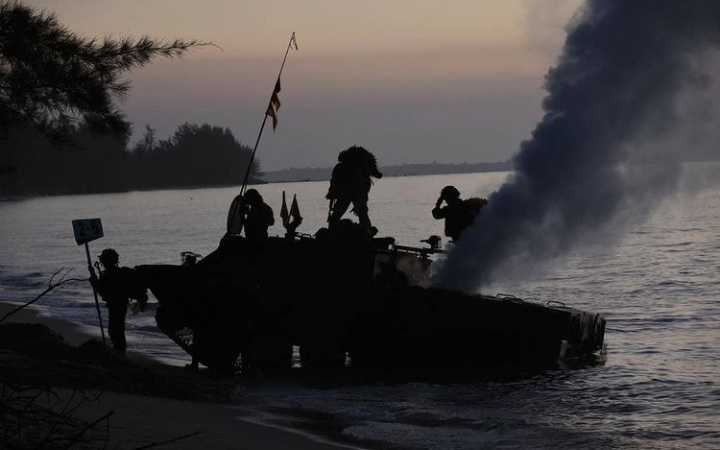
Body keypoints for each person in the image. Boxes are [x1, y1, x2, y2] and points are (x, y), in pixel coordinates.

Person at [90, 248, 147, 354]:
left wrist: (94, 281)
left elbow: (103, 292)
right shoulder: (119, 272)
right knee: (117, 329)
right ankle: (120, 351)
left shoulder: (109, 274)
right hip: (121, 303)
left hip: (116, 304)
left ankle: (120, 352)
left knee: (115, 330)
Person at [326, 145, 383, 232]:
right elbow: (374, 175)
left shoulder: (341, 167)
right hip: (356, 193)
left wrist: (332, 194)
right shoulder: (359, 166)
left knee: (337, 216)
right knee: (362, 214)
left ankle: (331, 233)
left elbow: (334, 183)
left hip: (348, 193)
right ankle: (367, 232)